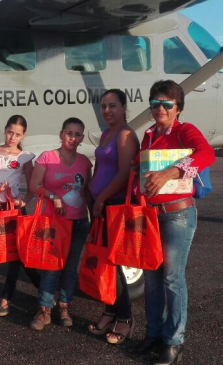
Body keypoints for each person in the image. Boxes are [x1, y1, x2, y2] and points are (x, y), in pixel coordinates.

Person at [129, 80, 215, 365]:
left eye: (167, 104)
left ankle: (174, 340)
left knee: (171, 278)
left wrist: (172, 172)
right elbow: (144, 172)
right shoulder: (149, 135)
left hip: (178, 213)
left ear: (178, 108)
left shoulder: (184, 130)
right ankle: (154, 334)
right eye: (155, 104)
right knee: (152, 279)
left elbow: (207, 154)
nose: (161, 109)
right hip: (151, 214)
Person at [29, 117, 92, 330]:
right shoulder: (47, 157)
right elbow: (34, 185)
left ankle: (64, 306)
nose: (72, 138)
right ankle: (44, 309)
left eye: (77, 134)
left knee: (71, 266)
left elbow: (88, 191)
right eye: (69, 133)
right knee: (52, 265)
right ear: (61, 134)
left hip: (79, 221)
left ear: (82, 137)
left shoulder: (84, 162)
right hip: (54, 223)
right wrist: (53, 196)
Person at [87, 89, 139, 344]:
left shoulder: (125, 134)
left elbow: (123, 174)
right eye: (103, 106)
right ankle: (109, 309)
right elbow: (101, 167)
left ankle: (125, 318)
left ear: (124, 108)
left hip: (113, 204)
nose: (107, 111)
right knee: (104, 262)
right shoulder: (107, 133)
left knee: (114, 262)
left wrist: (101, 198)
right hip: (100, 204)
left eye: (112, 106)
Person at [0, 115, 40, 317]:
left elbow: (32, 187)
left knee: (17, 254)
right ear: (5, 130)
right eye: (10, 132)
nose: (13, 137)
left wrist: (24, 202)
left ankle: (6, 298)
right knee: (1, 252)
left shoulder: (25, 157)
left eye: (18, 134)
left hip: (15, 210)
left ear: (23, 135)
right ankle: (44, 291)